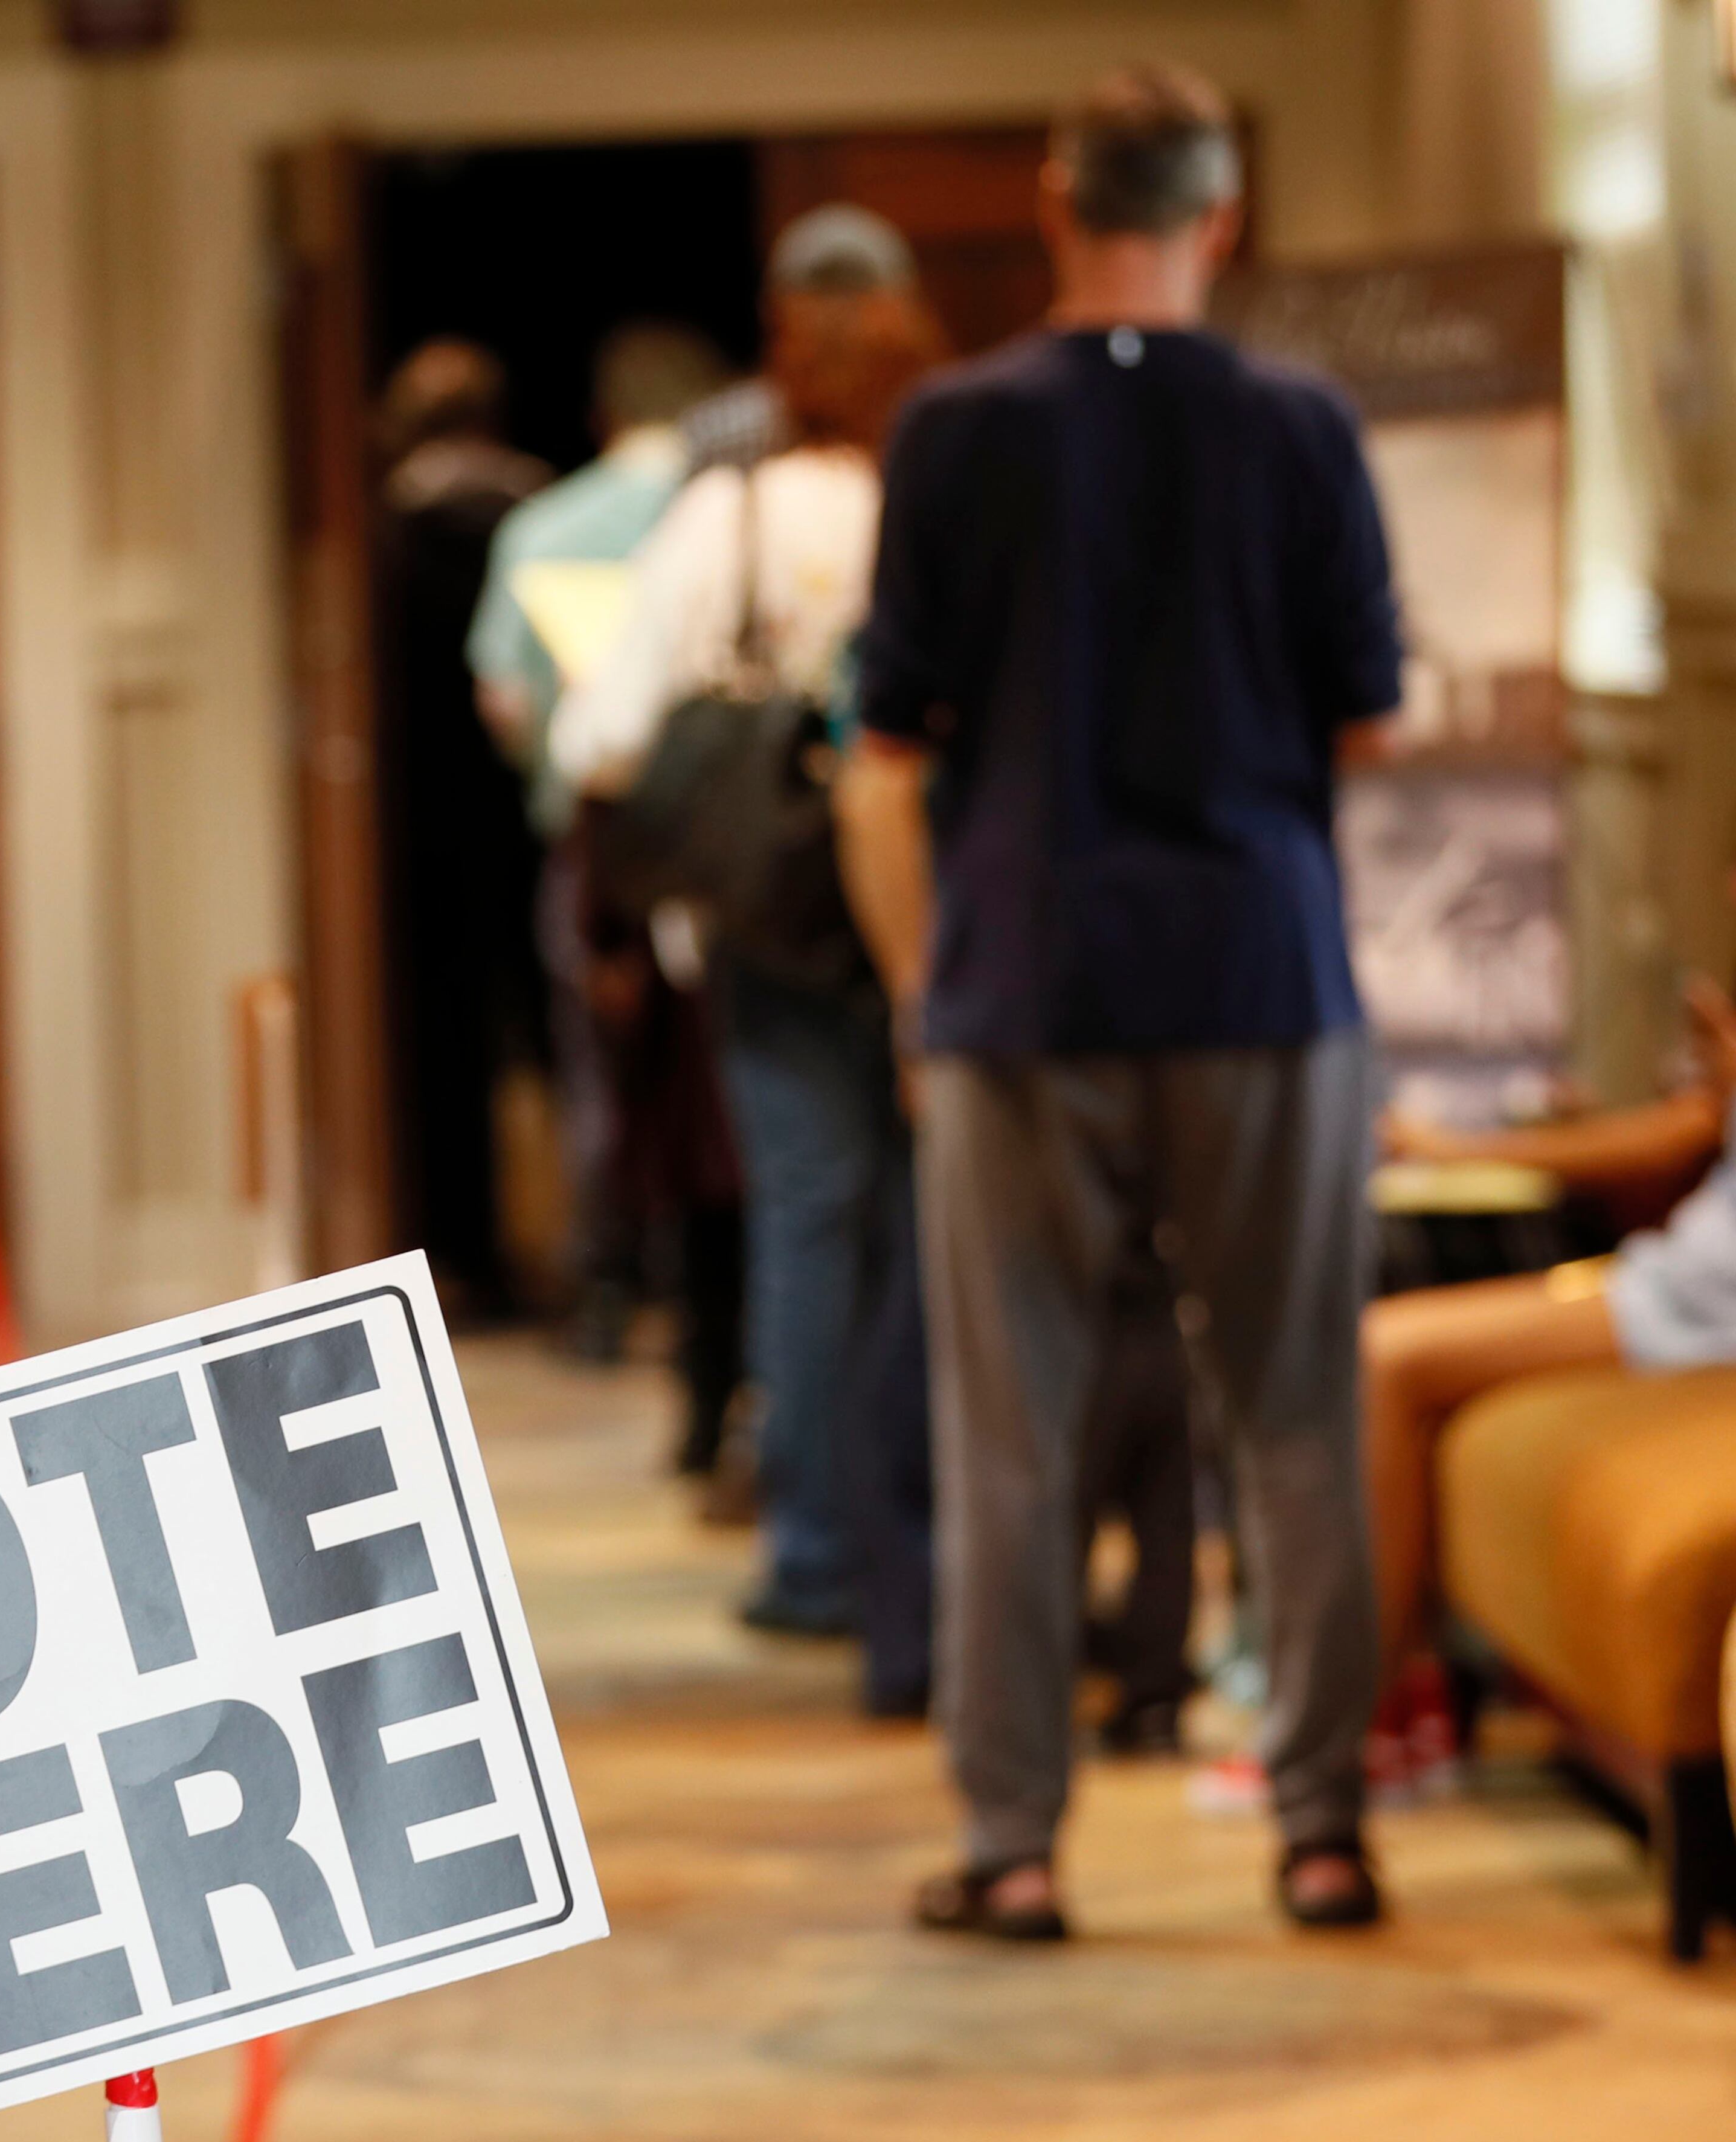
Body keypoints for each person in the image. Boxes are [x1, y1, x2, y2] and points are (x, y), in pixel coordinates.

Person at [840, 63, 1404, 1937]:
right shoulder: (1302, 425)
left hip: (1022, 975)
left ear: (1052, 203)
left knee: (1012, 1428)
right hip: (1257, 966)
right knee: (1298, 1413)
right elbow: (1367, 714)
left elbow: (888, 746)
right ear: (1220, 217)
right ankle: (1320, 1823)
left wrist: (924, 990)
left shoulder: (947, 432)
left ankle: (1011, 1848)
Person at [553, 204, 940, 1642]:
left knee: (805, 1220)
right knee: (921, 1231)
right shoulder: (943, 488)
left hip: (776, 927)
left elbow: (603, 737)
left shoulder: (735, 510)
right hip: (936, 919)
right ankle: (922, 1547)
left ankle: (818, 1551)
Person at [467, 325, 745, 1464]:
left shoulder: (544, 528)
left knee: (606, 1082)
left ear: (601, 416)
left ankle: (610, 1283)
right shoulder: (723, 515)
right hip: (734, 851)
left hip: (596, 850)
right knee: (735, 1102)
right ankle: (717, 1332)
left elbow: (507, 704)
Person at [1364, 969, 1736, 1673]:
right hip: (1675, 1271)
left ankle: (1377, 1709)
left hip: (1706, 1297)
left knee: (1385, 1354)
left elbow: (1669, 1139)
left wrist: (1450, 1149)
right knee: (1391, 1350)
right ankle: (1409, 1686)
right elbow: (1682, 1129)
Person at [372, 341, 552, 1319]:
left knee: (442, 1043)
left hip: (421, 822)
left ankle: (463, 1260)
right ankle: (597, 1259)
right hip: (535, 812)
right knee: (556, 1035)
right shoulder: (546, 515)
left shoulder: (388, 529)